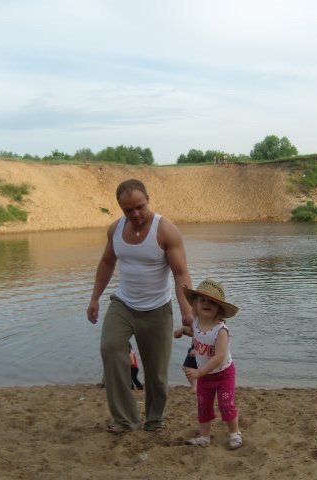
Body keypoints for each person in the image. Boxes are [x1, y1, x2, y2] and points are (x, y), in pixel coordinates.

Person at [87, 178, 193, 434]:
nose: (135, 214)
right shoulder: (115, 230)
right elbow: (106, 263)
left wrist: (187, 311)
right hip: (123, 304)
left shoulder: (165, 230)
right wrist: (94, 298)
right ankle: (125, 419)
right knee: (110, 347)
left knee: (156, 372)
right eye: (128, 210)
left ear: (148, 200)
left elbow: (180, 273)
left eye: (140, 207)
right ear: (120, 208)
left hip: (157, 308)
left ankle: (154, 420)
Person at [177, 279, 243, 450]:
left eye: (212, 302)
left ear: (219, 308)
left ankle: (234, 433)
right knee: (203, 406)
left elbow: (219, 357)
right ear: (196, 304)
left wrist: (199, 373)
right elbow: (196, 334)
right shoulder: (196, 322)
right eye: (202, 300)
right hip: (205, 377)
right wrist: (183, 331)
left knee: (226, 405)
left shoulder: (221, 330)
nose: (206, 304)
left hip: (223, 374)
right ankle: (204, 437)